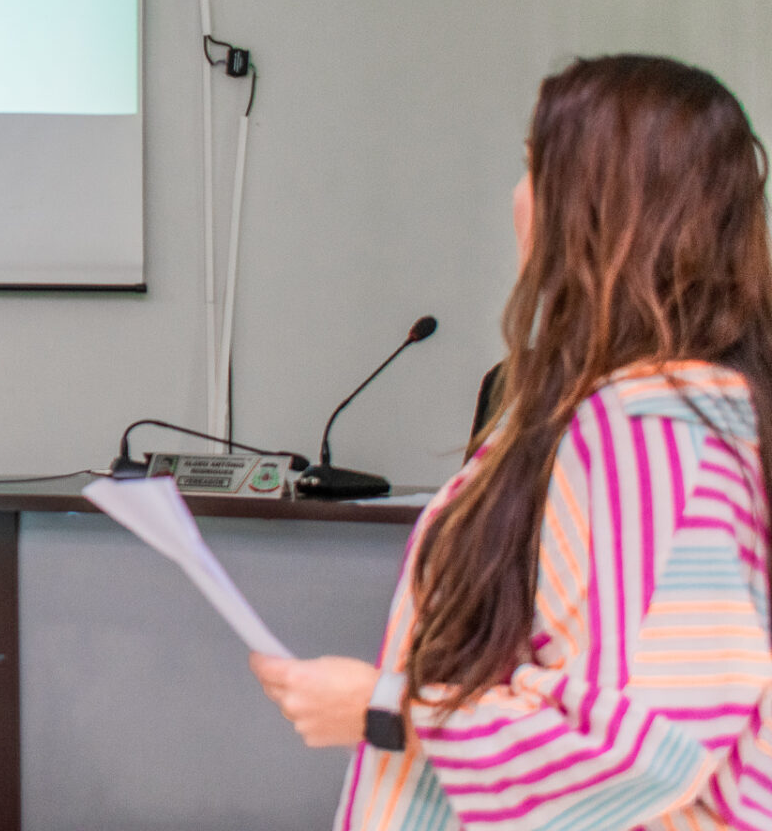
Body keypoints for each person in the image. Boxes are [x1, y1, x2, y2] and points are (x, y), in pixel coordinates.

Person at [253, 54, 772, 829]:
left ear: (596, 205)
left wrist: (384, 707)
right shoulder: (644, 409)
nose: (515, 199)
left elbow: (647, 745)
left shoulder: (652, 429)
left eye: (533, 171)